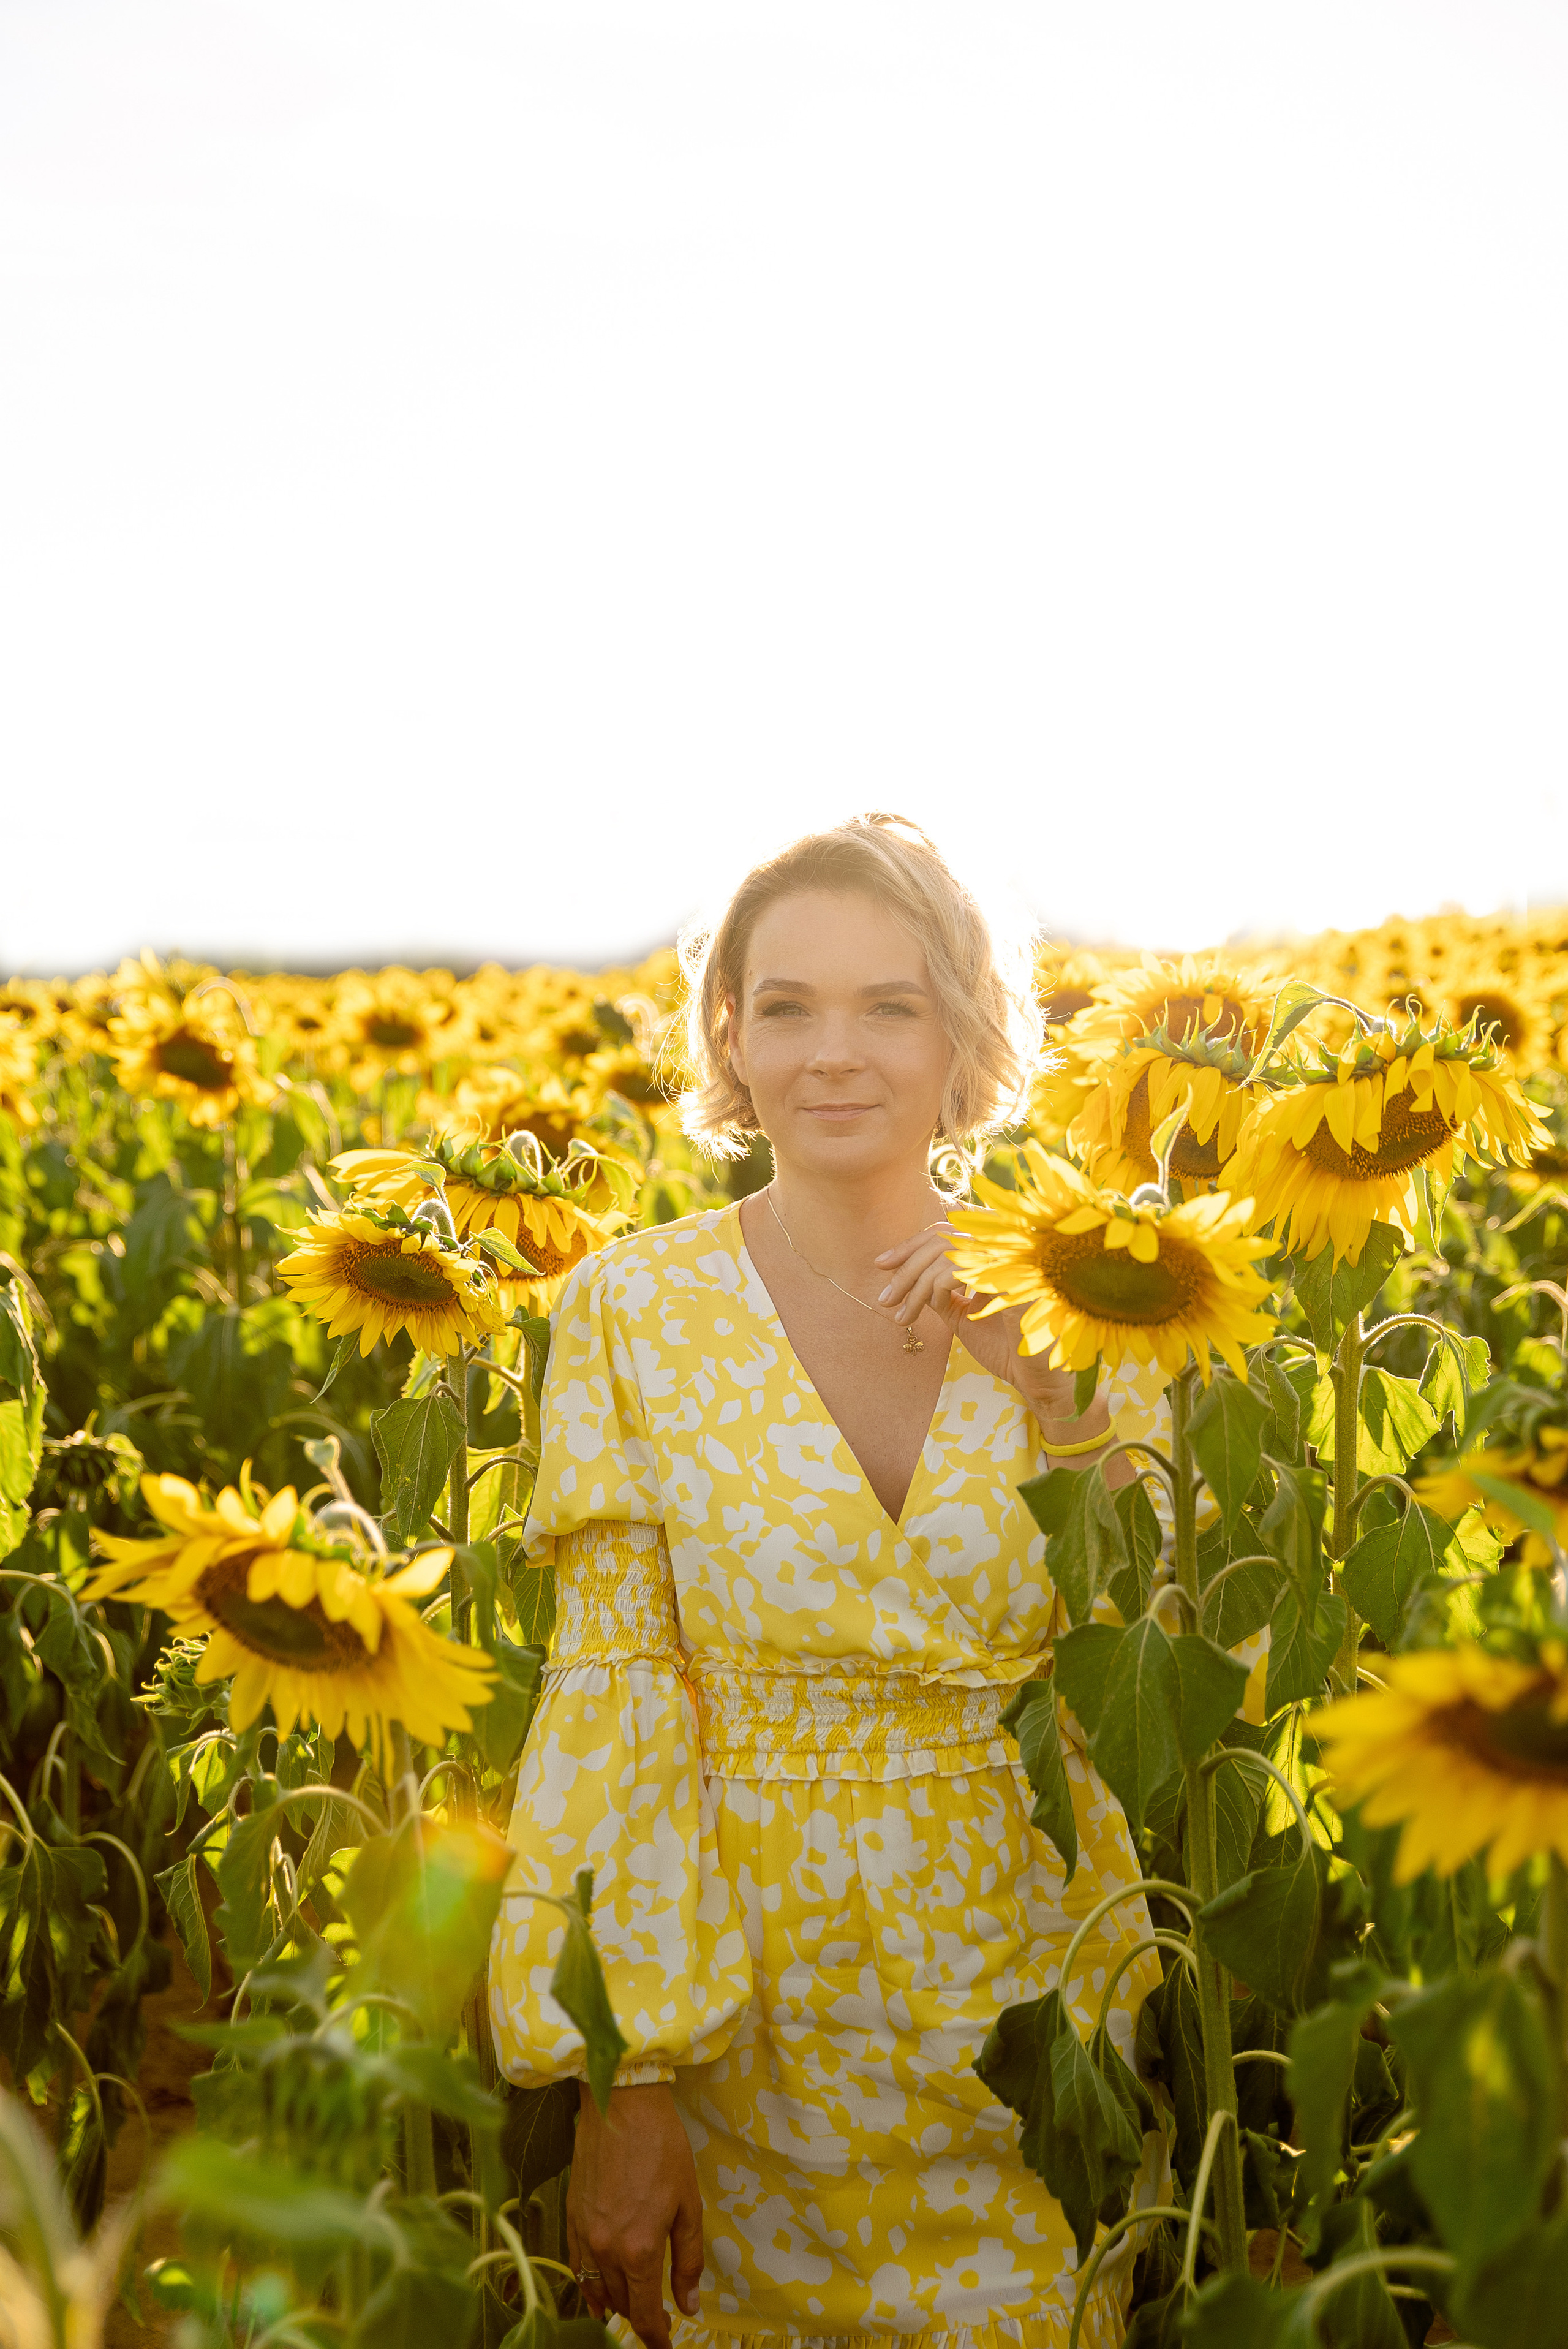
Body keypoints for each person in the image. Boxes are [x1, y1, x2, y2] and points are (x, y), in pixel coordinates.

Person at [489, 815, 1164, 2349]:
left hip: (1030, 2005)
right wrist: (628, 2070)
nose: (832, 1053)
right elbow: (612, 1697)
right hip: (741, 2011)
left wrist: (1062, 1400)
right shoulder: (631, 1311)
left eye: (889, 1004)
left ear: (960, 1034)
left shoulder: (1091, 1289)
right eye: (784, 1005)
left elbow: (1176, 1667)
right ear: (725, 1030)